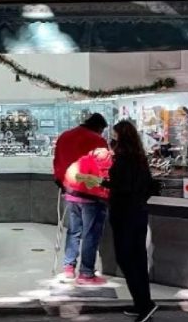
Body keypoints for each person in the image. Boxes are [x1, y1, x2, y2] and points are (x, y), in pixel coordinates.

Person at [101, 121, 158, 322]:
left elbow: (123, 187)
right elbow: (149, 186)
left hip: (125, 215)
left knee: (126, 258)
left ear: (121, 136)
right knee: (138, 259)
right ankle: (141, 303)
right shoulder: (139, 158)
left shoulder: (123, 159)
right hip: (138, 213)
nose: (112, 137)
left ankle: (145, 305)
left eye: (115, 134)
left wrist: (103, 183)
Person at [53, 113, 109, 285]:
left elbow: (57, 162)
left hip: (70, 191)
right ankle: (86, 273)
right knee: (90, 233)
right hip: (92, 194)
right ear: (99, 128)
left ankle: (68, 268)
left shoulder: (65, 136)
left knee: (73, 230)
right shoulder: (98, 140)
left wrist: (62, 183)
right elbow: (105, 168)